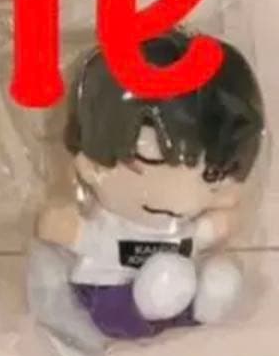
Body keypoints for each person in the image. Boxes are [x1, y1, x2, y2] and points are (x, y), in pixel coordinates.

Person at [37, 32, 264, 339]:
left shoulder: (183, 230)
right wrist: (68, 229)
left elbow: (203, 235)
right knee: (172, 275)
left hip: (182, 296)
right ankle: (160, 302)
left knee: (218, 276)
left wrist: (218, 225)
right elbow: (87, 238)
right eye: (149, 162)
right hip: (113, 296)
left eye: (210, 176)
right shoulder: (110, 224)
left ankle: (203, 308)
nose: (179, 196)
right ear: (91, 164)